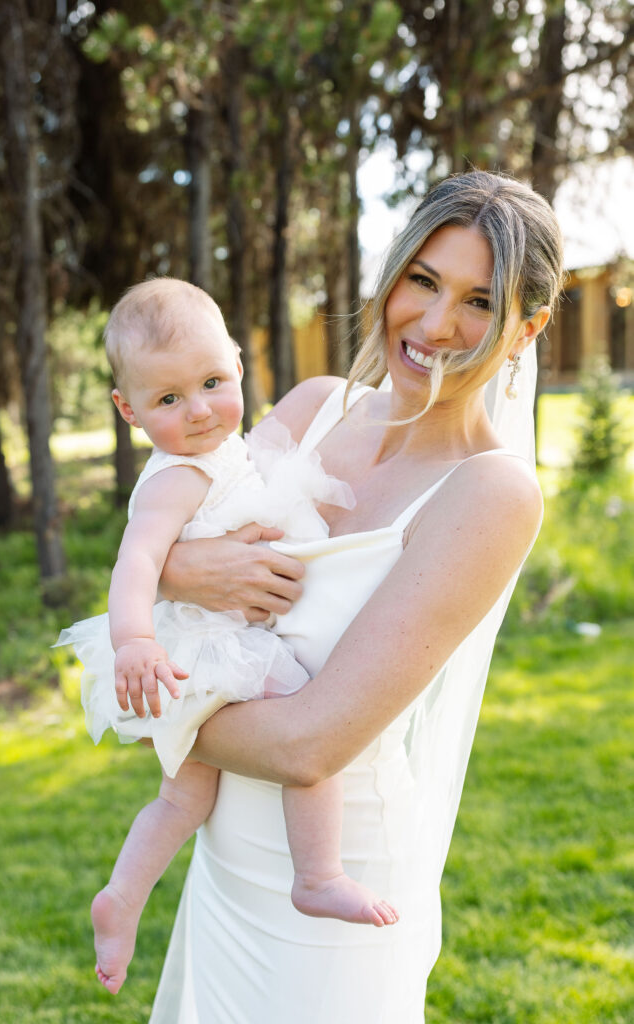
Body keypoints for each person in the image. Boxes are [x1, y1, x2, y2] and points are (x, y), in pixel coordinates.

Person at [143, 170, 565, 1023]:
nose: (437, 325)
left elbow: (310, 746)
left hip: (338, 881)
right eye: (424, 281)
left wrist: (154, 709)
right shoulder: (313, 410)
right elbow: (169, 542)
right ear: (394, 273)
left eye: (480, 302)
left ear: (528, 326)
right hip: (229, 854)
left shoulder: (491, 493)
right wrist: (179, 572)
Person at [57, 279, 398, 995]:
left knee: (182, 801)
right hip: (214, 648)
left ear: (238, 365)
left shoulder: (231, 447)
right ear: (129, 410)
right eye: (169, 400)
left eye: (212, 382)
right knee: (314, 716)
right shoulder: (175, 476)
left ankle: (121, 898)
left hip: (215, 642)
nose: (201, 410)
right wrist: (134, 645)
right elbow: (137, 563)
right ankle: (319, 874)